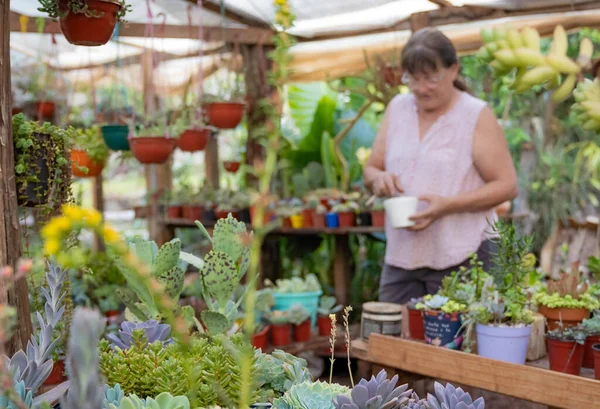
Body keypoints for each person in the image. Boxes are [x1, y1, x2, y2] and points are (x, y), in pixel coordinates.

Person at [363, 28, 518, 305]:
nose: (421, 88)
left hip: (464, 254)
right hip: (402, 256)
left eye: (431, 78)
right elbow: (371, 168)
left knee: (456, 346)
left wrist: (446, 205)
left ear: (454, 69)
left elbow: (507, 186)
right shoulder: (398, 107)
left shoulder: (475, 115)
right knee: (390, 340)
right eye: (413, 79)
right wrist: (379, 180)